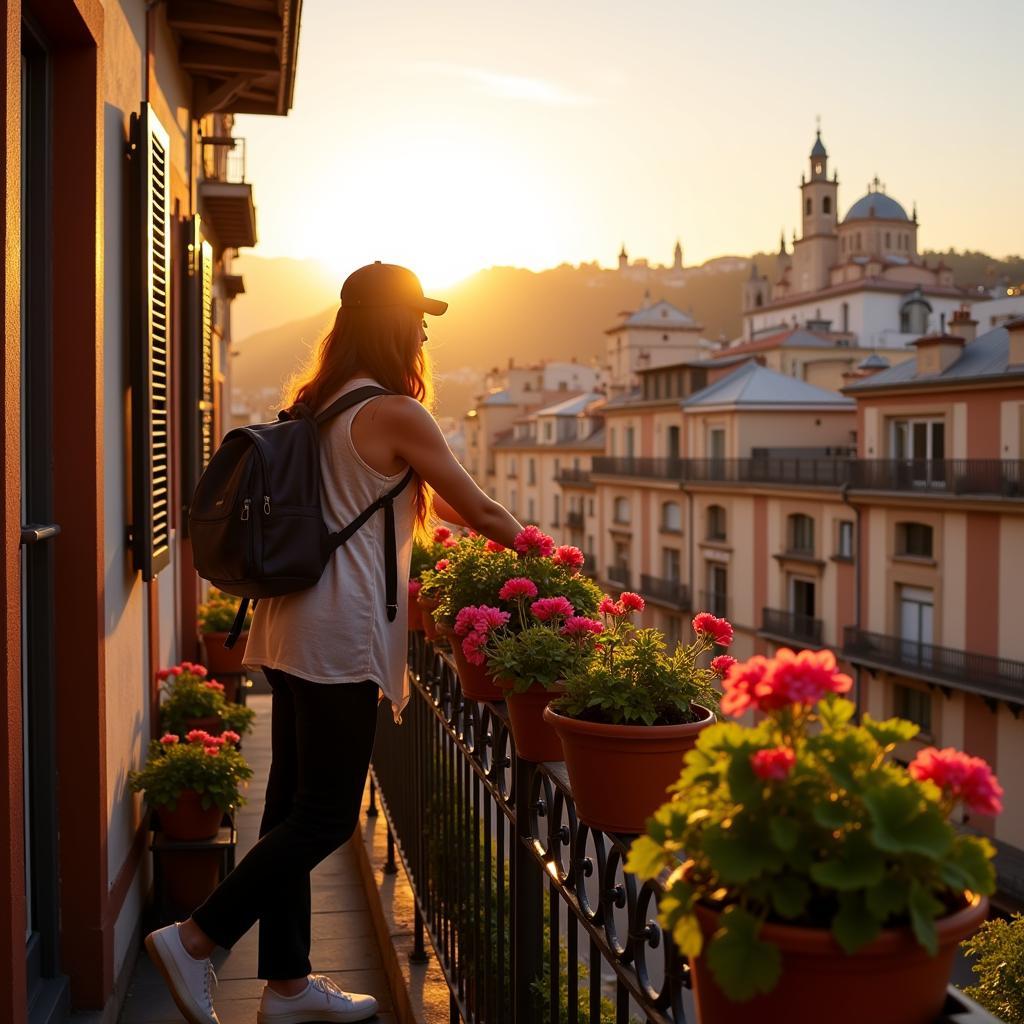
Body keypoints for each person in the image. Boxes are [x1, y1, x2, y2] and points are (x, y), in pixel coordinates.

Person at [144, 263, 523, 1024]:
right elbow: (477, 506)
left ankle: (286, 985)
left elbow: (407, 502)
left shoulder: (317, 404)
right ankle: (196, 938)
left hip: (288, 625)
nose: (424, 331)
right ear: (390, 325)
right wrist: (553, 567)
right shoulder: (395, 412)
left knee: (288, 803)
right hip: (340, 633)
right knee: (325, 815)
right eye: (418, 318)